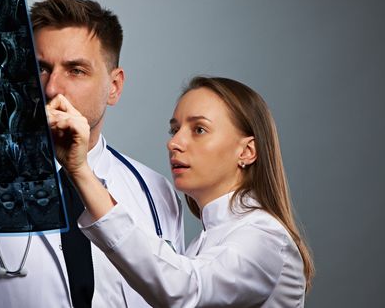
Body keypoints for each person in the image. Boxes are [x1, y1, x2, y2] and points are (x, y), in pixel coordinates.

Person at [0, 0, 184, 307]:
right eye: (40, 68)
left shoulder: (157, 194)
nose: (51, 89)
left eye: (76, 70)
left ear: (114, 86)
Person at [48, 76, 315, 307]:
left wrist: (80, 170)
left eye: (199, 129)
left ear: (246, 151)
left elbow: (182, 290)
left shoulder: (265, 238)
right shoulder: (204, 243)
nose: (174, 142)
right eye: (175, 129)